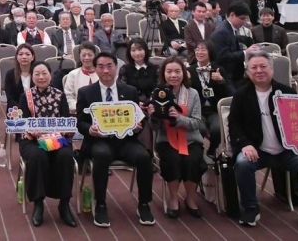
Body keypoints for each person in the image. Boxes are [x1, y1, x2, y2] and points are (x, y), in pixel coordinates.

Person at [229, 50, 298, 232]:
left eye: (263, 66)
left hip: (286, 152)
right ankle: (250, 208)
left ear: (272, 69)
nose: (259, 70)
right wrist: (245, 144)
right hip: (258, 151)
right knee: (242, 164)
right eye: (254, 67)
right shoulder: (241, 95)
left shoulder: (287, 92)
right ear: (248, 72)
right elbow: (234, 125)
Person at [76, 52, 155, 228]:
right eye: (101, 66)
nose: (105, 70)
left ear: (116, 67)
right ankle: (100, 204)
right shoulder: (86, 92)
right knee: (102, 155)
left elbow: (139, 118)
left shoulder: (130, 91)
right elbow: (80, 122)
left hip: (126, 141)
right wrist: (90, 129)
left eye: (109, 66)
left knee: (144, 157)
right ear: (95, 69)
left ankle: (144, 203)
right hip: (99, 141)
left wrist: (137, 126)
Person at [13, 61, 77, 227]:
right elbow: (22, 123)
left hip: (56, 137)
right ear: (32, 76)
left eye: (44, 73)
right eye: (37, 74)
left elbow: (65, 120)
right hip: (32, 140)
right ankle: (38, 203)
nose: (41, 77)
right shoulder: (26, 96)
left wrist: (66, 131)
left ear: (50, 75)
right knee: (37, 155)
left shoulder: (60, 95)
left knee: (66, 155)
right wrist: (32, 131)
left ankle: (64, 204)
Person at [152, 57, 205, 218]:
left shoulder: (193, 93)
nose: (173, 75)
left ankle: (190, 197)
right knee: (172, 159)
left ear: (184, 73)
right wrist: (153, 116)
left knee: (192, 160)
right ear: (163, 74)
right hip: (166, 140)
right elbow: (154, 127)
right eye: (169, 71)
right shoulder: (157, 93)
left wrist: (179, 118)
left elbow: (197, 122)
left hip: (191, 139)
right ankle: (173, 198)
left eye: (177, 71)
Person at [188, 42, 230, 157]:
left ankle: (212, 149)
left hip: (214, 109)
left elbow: (230, 93)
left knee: (217, 129)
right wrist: (187, 81)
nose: (199, 52)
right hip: (197, 110)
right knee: (199, 128)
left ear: (210, 52)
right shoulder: (189, 70)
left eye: (203, 49)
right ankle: (199, 151)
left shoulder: (218, 69)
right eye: (197, 49)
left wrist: (221, 81)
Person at [210, 1, 257, 89]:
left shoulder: (229, 28)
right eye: (242, 18)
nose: (244, 22)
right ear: (232, 15)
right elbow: (223, 57)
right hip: (226, 76)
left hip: (234, 75)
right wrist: (245, 52)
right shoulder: (222, 31)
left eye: (246, 19)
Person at [63, 42, 100, 111]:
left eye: (90, 55)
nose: (87, 58)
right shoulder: (72, 74)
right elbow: (68, 97)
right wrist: (80, 108)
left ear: (95, 56)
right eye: (83, 55)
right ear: (79, 56)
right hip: (78, 111)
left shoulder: (101, 73)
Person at [118, 38, 157, 102]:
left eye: (140, 49)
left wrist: (151, 103)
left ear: (145, 50)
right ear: (129, 52)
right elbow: (123, 90)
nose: (137, 53)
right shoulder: (124, 69)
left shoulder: (155, 68)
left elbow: (158, 89)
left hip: (152, 104)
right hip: (132, 104)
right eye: (133, 50)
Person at [3, 44, 36, 110]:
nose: (24, 57)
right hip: (16, 109)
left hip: (36, 108)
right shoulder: (10, 74)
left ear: (32, 57)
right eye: (20, 54)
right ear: (17, 57)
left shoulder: (37, 73)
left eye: (27, 54)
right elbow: (10, 98)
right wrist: (21, 110)